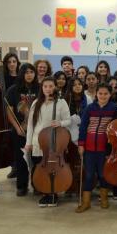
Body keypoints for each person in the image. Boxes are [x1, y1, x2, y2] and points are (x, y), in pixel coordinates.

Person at [76, 83, 117, 212]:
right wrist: (81, 144)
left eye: (106, 94)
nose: (103, 96)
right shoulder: (89, 108)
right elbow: (82, 127)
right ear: (96, 94)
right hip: (89, 147)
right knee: (89, 175)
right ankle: (86, 202)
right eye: (100, 93)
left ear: (110, 95)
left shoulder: (115, 108)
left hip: (105, 148)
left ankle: (104, 199)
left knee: (103, 175)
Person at [25, 77, 71, 207]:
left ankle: (53, 193)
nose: (48, 89)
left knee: (53, 168)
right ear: (42, 87)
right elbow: (30, 124)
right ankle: (45, 191)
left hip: (53, 142)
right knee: (40, 168)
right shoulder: (36, 103)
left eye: (51, 86)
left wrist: (60, 123)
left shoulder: (61, 102)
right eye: (45, 86)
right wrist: (28, 142)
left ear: (55, 87)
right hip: (36, 141)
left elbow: (68, 120)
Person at [5, 63, 39, 196]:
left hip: (36, 130)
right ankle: (22, 186)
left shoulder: (40, 88)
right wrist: (17, 127)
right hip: (20, 129)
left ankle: (37, 184)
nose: (29, 75)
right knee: (21, 159)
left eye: (31, 72)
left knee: (37, 158)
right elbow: (9, 110)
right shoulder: (13, 89)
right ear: (22, 74)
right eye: (26, 72)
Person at [0, 52, 21, 179]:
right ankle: (12, 165)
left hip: (18, 111)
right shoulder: (2, 77)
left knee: (17, 140)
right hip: (3, 112)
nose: (12, 64)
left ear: (17, 63)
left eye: (14, 61)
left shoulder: (21, 77)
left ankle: (17, 166)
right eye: (9, 62)